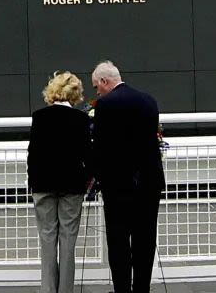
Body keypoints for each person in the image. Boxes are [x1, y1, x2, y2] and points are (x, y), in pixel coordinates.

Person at [90, 60, 165, 293]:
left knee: (118, 239)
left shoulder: (105, 105)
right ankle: (142, 288)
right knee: (145, 238)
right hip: (148, 182)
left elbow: (100, 147)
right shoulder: (149, 100)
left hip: (118, 184)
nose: (97, 91)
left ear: (104, 81)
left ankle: (122, 288)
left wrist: (95, 175)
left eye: (96, 86)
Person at [27, 71, 92, 293]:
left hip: (43, 184)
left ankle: (48, 289)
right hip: (72, 185)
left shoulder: (39, 117)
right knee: (68, 241)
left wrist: (32, 182)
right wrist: (88, 180)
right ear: (75, 94)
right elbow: (87, 155)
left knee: (47, 239)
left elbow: (33, 154)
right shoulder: (81, 119)